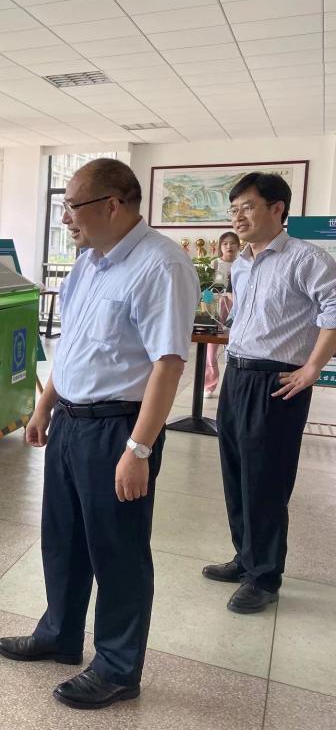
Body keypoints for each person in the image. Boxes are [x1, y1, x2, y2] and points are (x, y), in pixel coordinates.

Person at [0, 159, 199, 710]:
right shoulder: (88, 263)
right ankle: (60, 634)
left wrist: (139, 449)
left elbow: (168, 364)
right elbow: (74, 346)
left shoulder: (161, 266)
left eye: (72, 207)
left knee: (117, 551)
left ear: (113, 204)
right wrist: (44, 407)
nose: (66, 219)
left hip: (118, 428)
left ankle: (117, 667)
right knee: (62, 538)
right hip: (69, 422)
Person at [202, 172, 336, 613]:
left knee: (266, 480)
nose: (237, 217)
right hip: (238, 375)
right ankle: (245, 557)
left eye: (247, 207)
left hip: (276, 382)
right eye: (233, 209)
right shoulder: (241, 263)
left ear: (277, 209)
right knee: (237, 473)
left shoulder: (305, 259)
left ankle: (264, 577)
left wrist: (312, 367)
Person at [203, 231, 240, 398]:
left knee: (234, 346)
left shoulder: (243, 263)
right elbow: (206, 287)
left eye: (232, 243)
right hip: (216, 305)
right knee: (211, 347)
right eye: (225, 243)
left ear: (238, 246)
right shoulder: (214, 263)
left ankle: (233, 387)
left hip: (237, 306)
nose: (229, 246)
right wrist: (207, 308)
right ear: (220, 246)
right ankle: (209, 385)